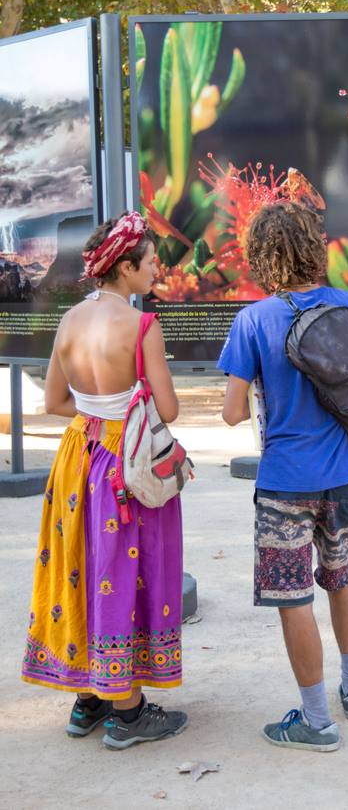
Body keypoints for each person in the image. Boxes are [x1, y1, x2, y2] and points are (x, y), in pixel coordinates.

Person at [218, 200, 348, 752]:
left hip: (285, 483)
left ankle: (316, 722)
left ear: (261, 258)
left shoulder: (253, 320)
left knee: (293, 599)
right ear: (314, 249)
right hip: (345, 476)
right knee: (340, 574)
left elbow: (232, 413)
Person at [21, 211, 187, 750]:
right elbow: (168, 408)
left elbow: (53, 402)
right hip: (124, 462)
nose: (156, 264)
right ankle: (129, 712)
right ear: (125, 267)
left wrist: (95, 409)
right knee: (126, 567)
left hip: (77, 456)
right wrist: (124, 407)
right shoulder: (142, 326)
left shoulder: (70, 322)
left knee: (85, 565)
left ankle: (88, 698)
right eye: (149, 259)